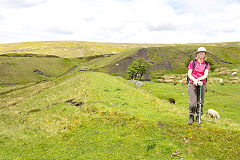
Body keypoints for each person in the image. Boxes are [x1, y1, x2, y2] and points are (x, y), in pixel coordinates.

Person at [187, 47, 210, 125]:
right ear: (197, 54)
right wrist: (195, 80)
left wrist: (198, 80)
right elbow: (189, 74)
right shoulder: (193, 62)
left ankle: (198, 116)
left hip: (201, 84)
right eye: (200, 52)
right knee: (193, 102)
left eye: (203, 52)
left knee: (200, 102)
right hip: (192, 83)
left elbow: (205, 75)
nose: (201, 53)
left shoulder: (206, 64)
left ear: (205, 54)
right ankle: (191, 116)